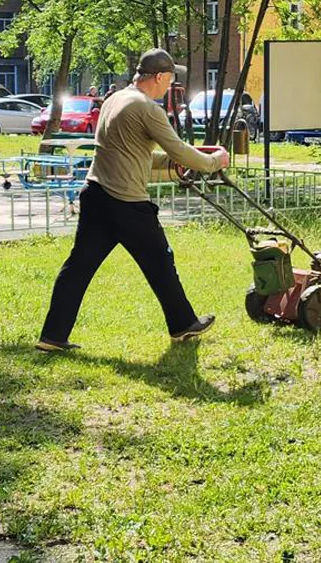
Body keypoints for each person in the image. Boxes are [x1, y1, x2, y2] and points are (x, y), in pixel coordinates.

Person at [37, 49, 231, 352]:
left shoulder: (115, 99)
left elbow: (132, 151)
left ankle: (52, 336)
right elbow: (179, 149)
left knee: (78, 267)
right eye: (170, 79)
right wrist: (214, 162)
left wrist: (170, 162)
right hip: (126, 202)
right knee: (161, 262)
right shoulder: (146, 108)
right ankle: (183, 325)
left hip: (96, 194)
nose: (170, 85)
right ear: (159, 77)